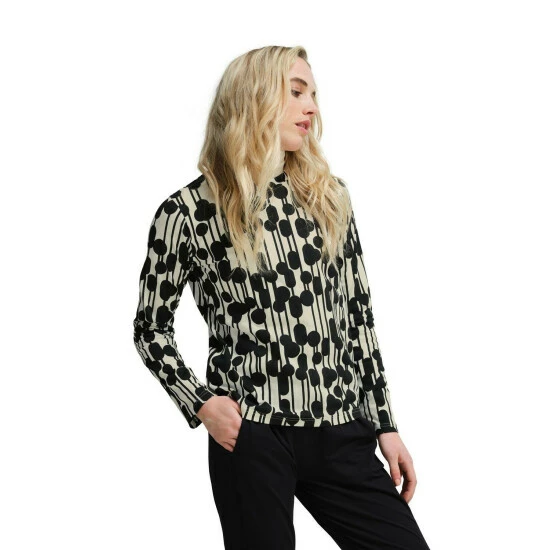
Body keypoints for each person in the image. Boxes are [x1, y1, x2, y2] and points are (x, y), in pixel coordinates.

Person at [133, 45, 431, 550]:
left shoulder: (328, 196)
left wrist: (384, 424)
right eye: (295, 92)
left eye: (312, 93)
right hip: (252, 435)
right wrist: (201, 403)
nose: (311, 106)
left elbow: (357, 318)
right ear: (254, 99)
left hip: (341, 428)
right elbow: (150, 329)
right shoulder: (186, 213)